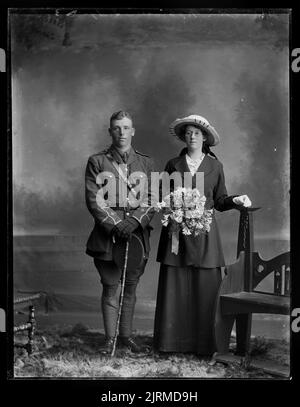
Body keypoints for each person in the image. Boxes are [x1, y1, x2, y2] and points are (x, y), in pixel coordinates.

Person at [154, 114, 251, 356]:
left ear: (205, 137)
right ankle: (171, 343)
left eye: (197, 132)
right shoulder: (172, 165)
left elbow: (219, 201)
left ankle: (206, 344)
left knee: (206, 288)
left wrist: (235, 200)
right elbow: (161, 197)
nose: (192, 135)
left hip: (205, 234)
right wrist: (173, 208)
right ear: (184, 137)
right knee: (175, 285)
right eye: (188, 132)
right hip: (177, 233)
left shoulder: (216, 166)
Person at [85, 111, 155, 354]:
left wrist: (135, 221)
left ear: (133, 131)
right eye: (117, 128)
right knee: (111, 287)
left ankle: (126, 338)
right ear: (110, 131)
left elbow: (150, 198)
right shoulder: (97, 162)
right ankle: (109, 339)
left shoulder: (145, 163)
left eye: (126, 128)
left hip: (136, 236)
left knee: (131, 288)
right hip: (107, 238)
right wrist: (116, 225)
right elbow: (95, 201)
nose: (122, 133)